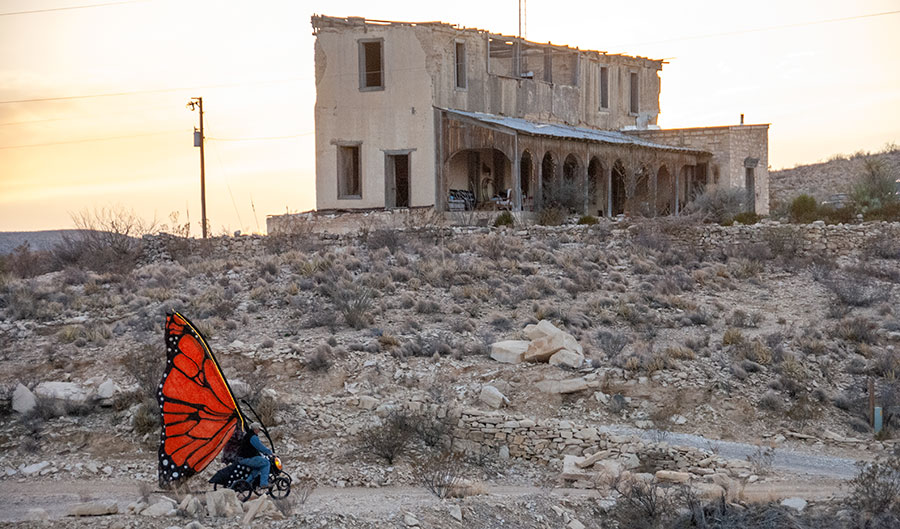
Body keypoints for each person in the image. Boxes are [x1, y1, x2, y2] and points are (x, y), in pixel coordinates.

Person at [237, 422, 274, 489]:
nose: (259, 431)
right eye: (259, 429)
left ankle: (246, 483)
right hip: (247, 458)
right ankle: (264, 483)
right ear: (255, 429)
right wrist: (270, 453)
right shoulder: (253, 437)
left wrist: (264, 453)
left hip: (243, 458)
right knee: (266, 463)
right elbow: (260, 447)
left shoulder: (249, 435)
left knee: (257, 468)